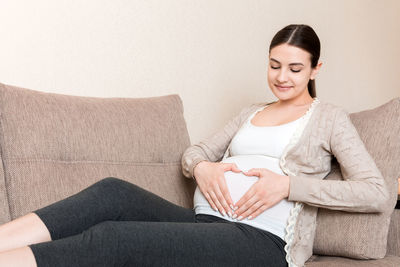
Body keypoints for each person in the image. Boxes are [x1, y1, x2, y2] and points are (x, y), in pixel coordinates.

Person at [0, 24, 388, 267]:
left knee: (114, 237)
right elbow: (195, 153)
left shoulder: (329, 118)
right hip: (208, 224)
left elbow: (374, 192)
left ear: (316, 69)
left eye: (295, 68)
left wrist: (288, 185)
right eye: (274, 65)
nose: (282, 77)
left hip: (264, 243)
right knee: (111, 193)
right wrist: (205, 168)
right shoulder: (250, 112)